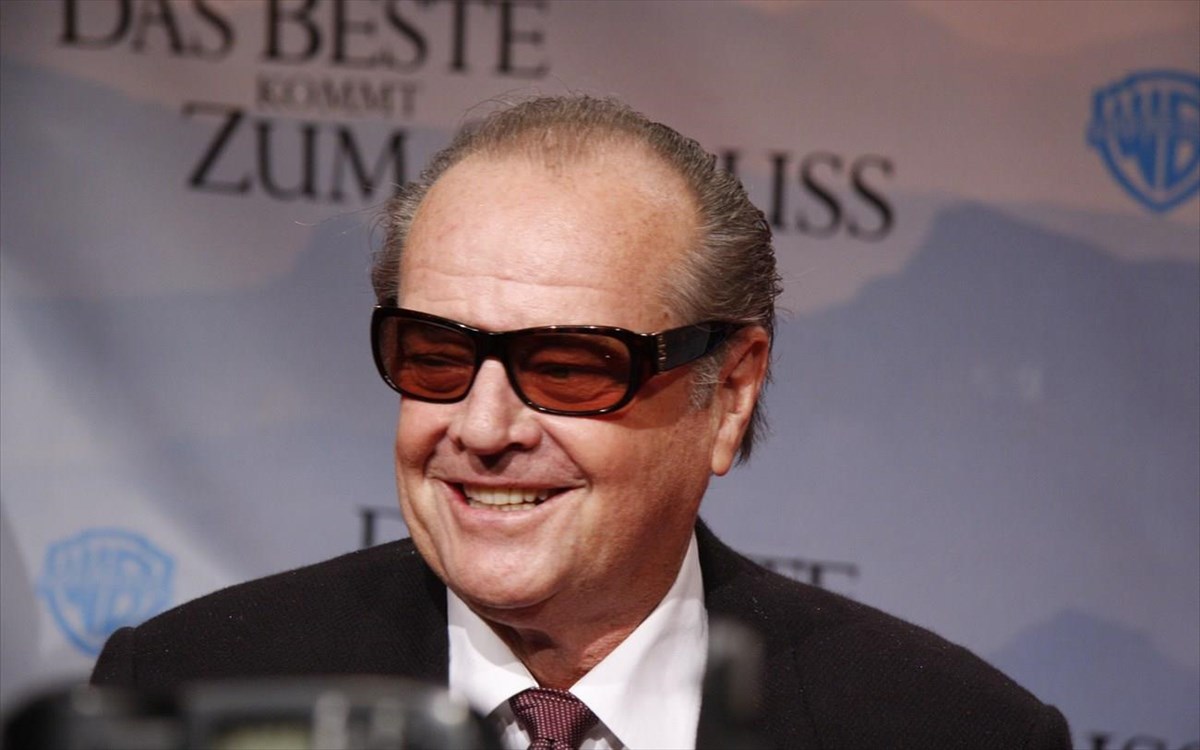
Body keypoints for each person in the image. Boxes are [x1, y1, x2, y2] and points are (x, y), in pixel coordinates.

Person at [92, 95, 1071, 749]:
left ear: (729, 394)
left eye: (567, 367)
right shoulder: (185, 693)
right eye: (436, 355)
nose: (483, 428)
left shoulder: (948, 730)